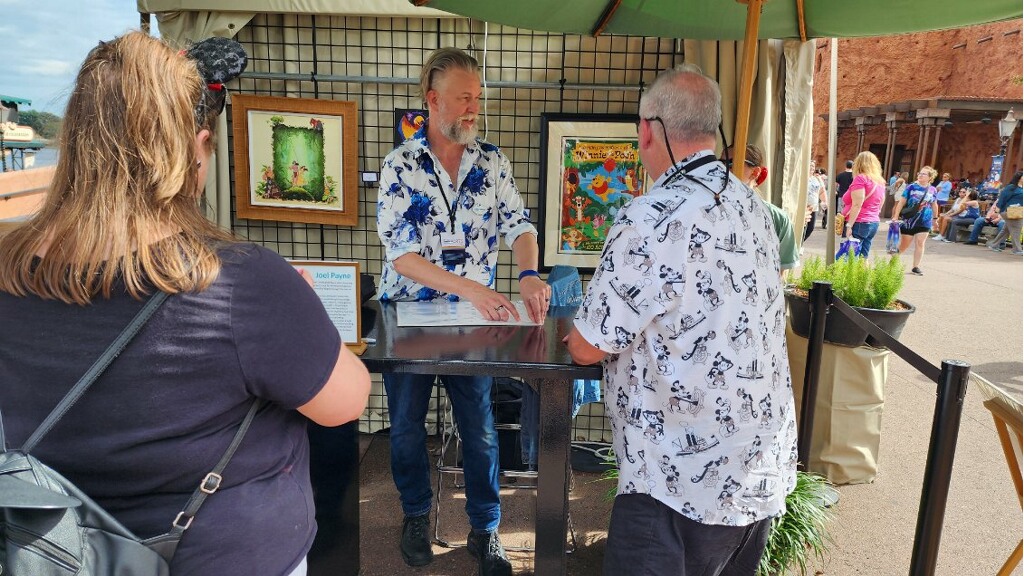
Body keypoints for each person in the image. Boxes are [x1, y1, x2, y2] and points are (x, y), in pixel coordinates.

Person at [0, 32, 371, 576]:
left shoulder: (9, 271)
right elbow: (346, 401)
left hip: (51, 554)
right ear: (195, 146)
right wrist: (304, 315)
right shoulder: (241, 282)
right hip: (222, 557)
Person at [564, 65, 797, 576]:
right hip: (758, 469)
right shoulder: (754, 208)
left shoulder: (650, 216)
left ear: (650, 130)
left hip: (675, 480)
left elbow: (586, 345)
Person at [375, 46, 551, 576]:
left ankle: (485, 528)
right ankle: (414, 515)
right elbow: (401, 255)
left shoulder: (493, 162)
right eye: (463, 98)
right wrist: (472, 288)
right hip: (408, 318)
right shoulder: (400, 165)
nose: (474, 108)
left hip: (474, 324)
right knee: (406, 429)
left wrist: (528, 272)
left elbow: (520, 225)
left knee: (480, 429)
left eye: (478, 97)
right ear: (433, 99)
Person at [721, 144, 799, 276]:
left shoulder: (777, 218)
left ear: (755, 172)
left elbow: (778, 272)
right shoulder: (709, 210)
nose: (724, 169)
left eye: (731, 163)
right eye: (720, 163)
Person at [891, 166, 940, 275]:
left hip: (925, 221)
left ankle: (915, 267)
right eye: (920, 173)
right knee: (904, 245)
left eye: (923, 174)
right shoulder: (911, 187)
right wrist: (895, 216)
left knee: (920, 243)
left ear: (930, 177)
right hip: (909, 221)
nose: (920, 175)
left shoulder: (932, 189)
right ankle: (892, 262)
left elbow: (934, 204)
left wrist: (935, 219)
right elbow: (901, 202)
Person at [840, 151, 886, 257]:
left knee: (850, 257)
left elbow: (857, 204)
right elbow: (881, 201)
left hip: (860, 222)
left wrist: (849, 225)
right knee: (863, 256)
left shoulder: (861, 178)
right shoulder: (879, 181)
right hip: (873, 222)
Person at [986, 173, 1024, 254]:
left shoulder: (1021, 188)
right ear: (1019, 178)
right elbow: (1002, 199)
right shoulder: (1011, 187)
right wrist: (996, 212)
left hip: (1017, 211)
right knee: (1016, 230)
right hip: (1010, 211)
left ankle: (994, 245)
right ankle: (1017, 249)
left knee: (1006, 230)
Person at [805, 161, 826, 241]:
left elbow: (821, 191)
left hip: (814, 207)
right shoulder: (803, 177)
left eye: (813, 166)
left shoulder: (816, 179)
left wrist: (824, 201)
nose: (812, 168)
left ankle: (800, 243)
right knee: (803, 228)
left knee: (810, 228)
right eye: (810, 165)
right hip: (805, 206)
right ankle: (798, 244)